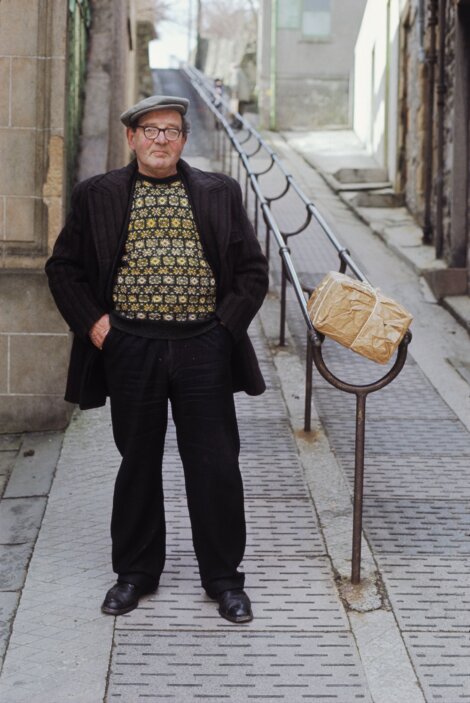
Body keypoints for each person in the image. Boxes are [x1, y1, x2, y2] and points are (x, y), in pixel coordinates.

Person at [45, 94, 269, 623]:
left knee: (215, 464)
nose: (160, 139)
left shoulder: (219, 192)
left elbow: (252, 273)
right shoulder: (96, 195)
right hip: (131, 347)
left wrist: (222, 331)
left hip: (203, 347)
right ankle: (135, 575)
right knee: (138, 461)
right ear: (132, 138)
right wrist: (97, 325)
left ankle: (223, 581)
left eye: (170, 130)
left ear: (184, 140)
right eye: (150, 130)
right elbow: (63, 268)